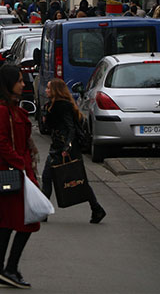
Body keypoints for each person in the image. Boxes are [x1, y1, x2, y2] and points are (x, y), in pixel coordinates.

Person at [0, 65, 39, 289]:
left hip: (21, 172)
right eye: (19, 80)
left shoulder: (16, 110)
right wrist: (20, 164)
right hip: (12, 174)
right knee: (26, 222)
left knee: (10, 224)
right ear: (9, 85)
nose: (23, 84)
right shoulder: (1, 111)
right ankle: (8, 269)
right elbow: (1, 143)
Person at [41, 78, 106, 224]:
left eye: (49, 88)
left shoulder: (61, 106)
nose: (46, 90)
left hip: (63, 148)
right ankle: (96, 209)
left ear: (55, 91)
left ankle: (96, 209)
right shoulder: (56, 105)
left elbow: (70, 128)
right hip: (62, 147)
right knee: (76, 179)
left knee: (71, 179)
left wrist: (67, 147)